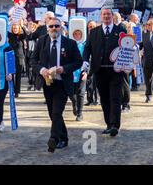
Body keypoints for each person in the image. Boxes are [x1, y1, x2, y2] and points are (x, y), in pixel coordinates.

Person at [30, 17, 82, 152]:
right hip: (47, 83)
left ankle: (53, 139)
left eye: (56, 26)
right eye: (51, 26)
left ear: (61, 28)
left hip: (62, 83)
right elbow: (33, 61)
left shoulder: (70, 43)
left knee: (57, 112)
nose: (54, 28)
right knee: (53, 114)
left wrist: (64, 69)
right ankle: (64, 137)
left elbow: (78, 62)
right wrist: (42, 70)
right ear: (47, 28)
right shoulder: (42, 41)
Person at [82, 8, 127, 137]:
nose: (106, 16)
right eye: (104, 14)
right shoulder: (94, 32)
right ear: (100, 16)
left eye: (108, 14)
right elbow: (87, 48)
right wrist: (85, 61)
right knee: (105, 99)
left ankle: (115, 125)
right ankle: (108, 124)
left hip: (116, 71)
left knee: (115, 98)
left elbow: (127, 47)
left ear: (112, 16)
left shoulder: (120, 30)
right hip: (100, 70)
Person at [68, 17, 88, 121]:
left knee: (81, 92)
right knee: (71, 93)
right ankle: (74, 104)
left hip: (81, 71)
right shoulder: (68, 45)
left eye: (78, 34)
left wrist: (86, 71)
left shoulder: (85, 45)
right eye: (75, 34)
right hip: (71, 72)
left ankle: (80, 113)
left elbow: (89, 59)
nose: (77, 36)